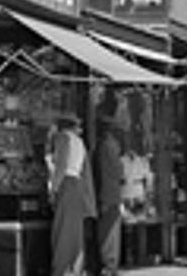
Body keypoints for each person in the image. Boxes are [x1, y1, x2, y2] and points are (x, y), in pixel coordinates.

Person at [48, 113, 96, 276]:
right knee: (75, 231)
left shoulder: (63, 138)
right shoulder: (79, 142)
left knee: (62, 229)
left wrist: (54, 188)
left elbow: (61, 165)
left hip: (66, 185)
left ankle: (61, 268)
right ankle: (75, 268)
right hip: (77, 185)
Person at [93, 117, 124, 276]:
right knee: (110, 233)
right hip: (110, 195)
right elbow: (118, 171)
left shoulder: (102, 146)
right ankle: (110, 265)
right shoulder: (110, 146)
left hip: (106, 195)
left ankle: (109, 264)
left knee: (107, 232)